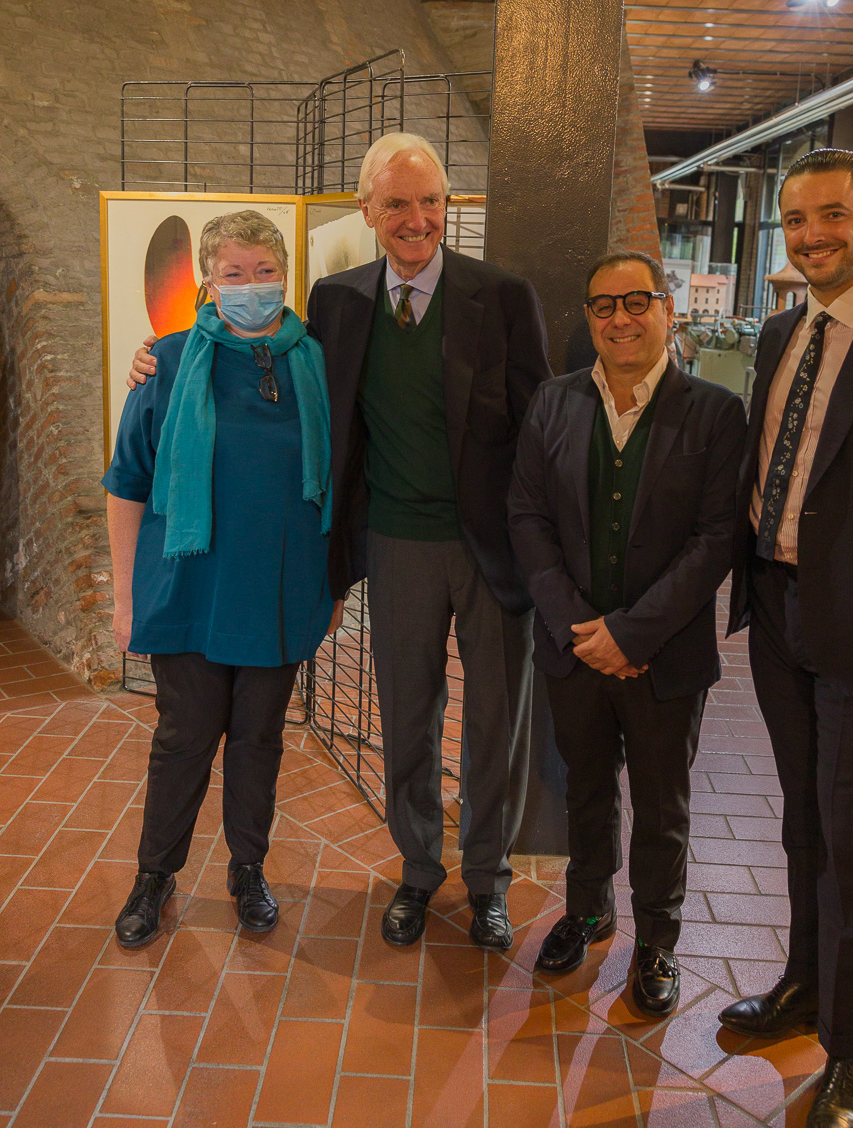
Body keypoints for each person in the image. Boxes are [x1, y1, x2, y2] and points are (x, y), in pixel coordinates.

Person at [130, 134, 552, 952]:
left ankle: (489, 879)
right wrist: (155, 357)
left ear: (448, 206)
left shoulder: (501, 296)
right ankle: (419, 871)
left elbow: (540, 430)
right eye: (396, 203)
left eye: (430, 201)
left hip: (490, 551)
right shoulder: (339, 302)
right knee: (407, 720)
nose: (416, 218)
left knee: (497, 723)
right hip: (393, 543)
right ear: (367, 212)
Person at [509, 250, 745, 1016]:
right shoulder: (553, 403)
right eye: (605, 306)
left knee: (662, 802)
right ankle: (587, 909)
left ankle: (658, 941)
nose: (621, 318)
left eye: (637, 302)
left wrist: (631, 636)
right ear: (588, 317)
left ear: (667, 310)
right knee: (584, 787)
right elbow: (527, 516)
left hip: (664, 658)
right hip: (574, 651)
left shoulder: (713, 412)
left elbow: (715, 539)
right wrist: (579, 627)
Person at [719, 149, 853, 1128]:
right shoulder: (781, 331)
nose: (813, 235)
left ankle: (849, 1059)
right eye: (795, 221)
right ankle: (802, 985)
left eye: (833, 215)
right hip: (779, 614)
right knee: (800, 820)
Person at [106, 210, 340, 948]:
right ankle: (155, 873)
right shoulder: (168, 363)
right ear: (209, 282)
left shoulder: (317, 365)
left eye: (264, 272)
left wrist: (330, 586)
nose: (250, 287)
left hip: (278, 588)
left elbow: (339, 482)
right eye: (233, 275)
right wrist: (123, 597)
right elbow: (126, 483)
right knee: (184, 736)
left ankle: (248, 868)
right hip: (189, 592)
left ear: (284, 275)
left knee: (260, 739)